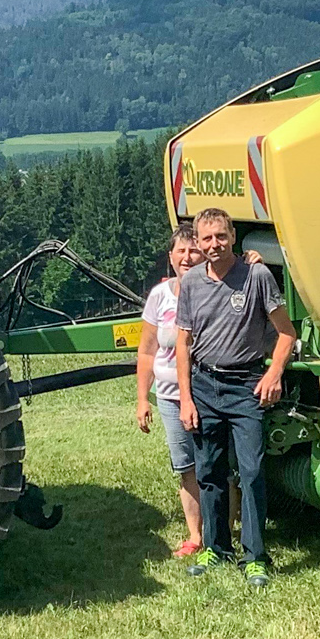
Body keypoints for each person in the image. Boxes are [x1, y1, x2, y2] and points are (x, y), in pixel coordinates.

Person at [174, 206, 297, 586]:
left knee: (252, 471)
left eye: (221, 237)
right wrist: (186, 398)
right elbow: (182, 344)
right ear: (198, 242)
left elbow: (286, 333)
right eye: (207, 238)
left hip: (246, 386)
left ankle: (256, 557)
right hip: (204, 386)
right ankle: (216, 548)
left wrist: (274, 372)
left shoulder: (256, 275)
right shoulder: (192, 283)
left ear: (232, 238)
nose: (215, 244)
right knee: (210, 472)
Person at [136, 222, 206, 557]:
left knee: (223, 466)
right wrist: (141, 399)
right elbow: (147, 350)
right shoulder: (159, 297)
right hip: (168, 395)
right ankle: (196, 536)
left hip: (209, 391)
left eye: (194, 250)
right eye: (182, 251)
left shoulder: (213, 289)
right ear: (171, 257)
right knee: (186, 468)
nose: (188, 257)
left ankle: (227, 531)